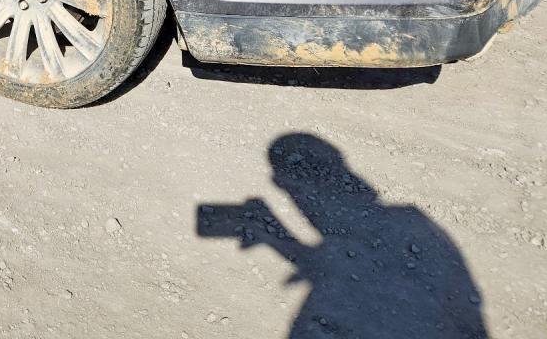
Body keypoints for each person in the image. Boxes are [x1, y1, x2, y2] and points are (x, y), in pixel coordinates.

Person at [198, 134, 488, 338]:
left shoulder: (405, 226)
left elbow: (340, 269)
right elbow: (337, 265)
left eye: (295, 188)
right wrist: (275, 237)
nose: (300, 199)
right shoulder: (409, 223)